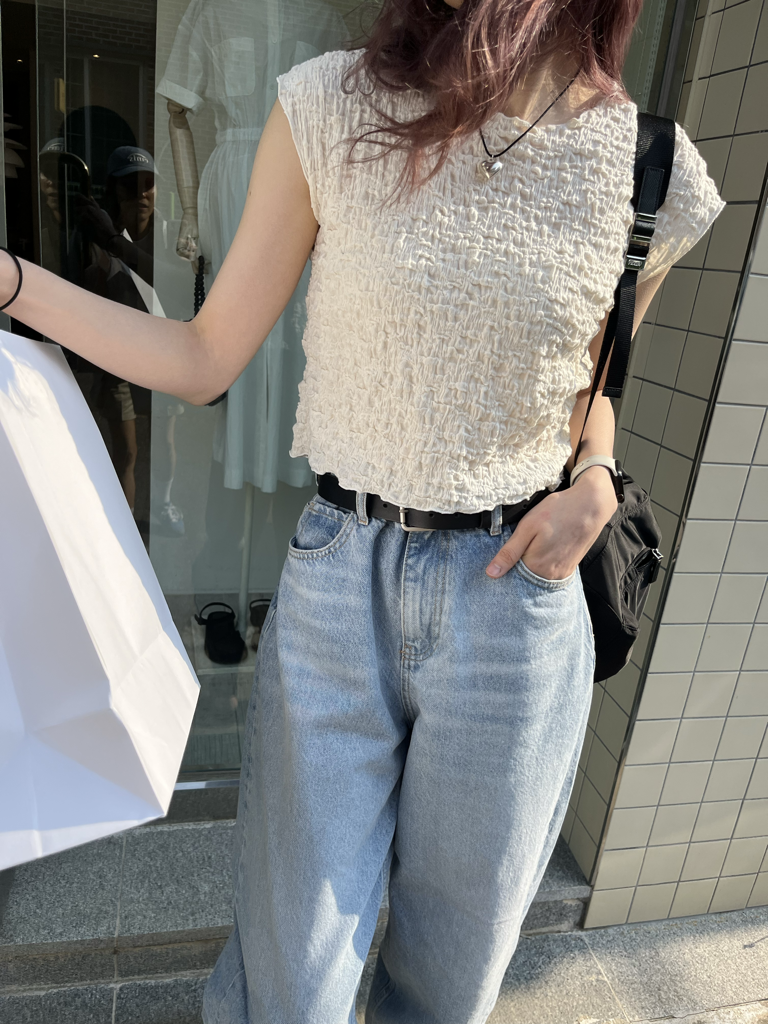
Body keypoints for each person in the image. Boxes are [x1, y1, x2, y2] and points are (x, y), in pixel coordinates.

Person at [0, 0, 725, 1020]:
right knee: (291, 979)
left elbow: (587, 390)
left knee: (447, 982)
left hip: (518, 603)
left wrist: (598, 478)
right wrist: (13, 282)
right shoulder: (334, 106)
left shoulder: (651, 167)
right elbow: (203, 356)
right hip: (341, 581)